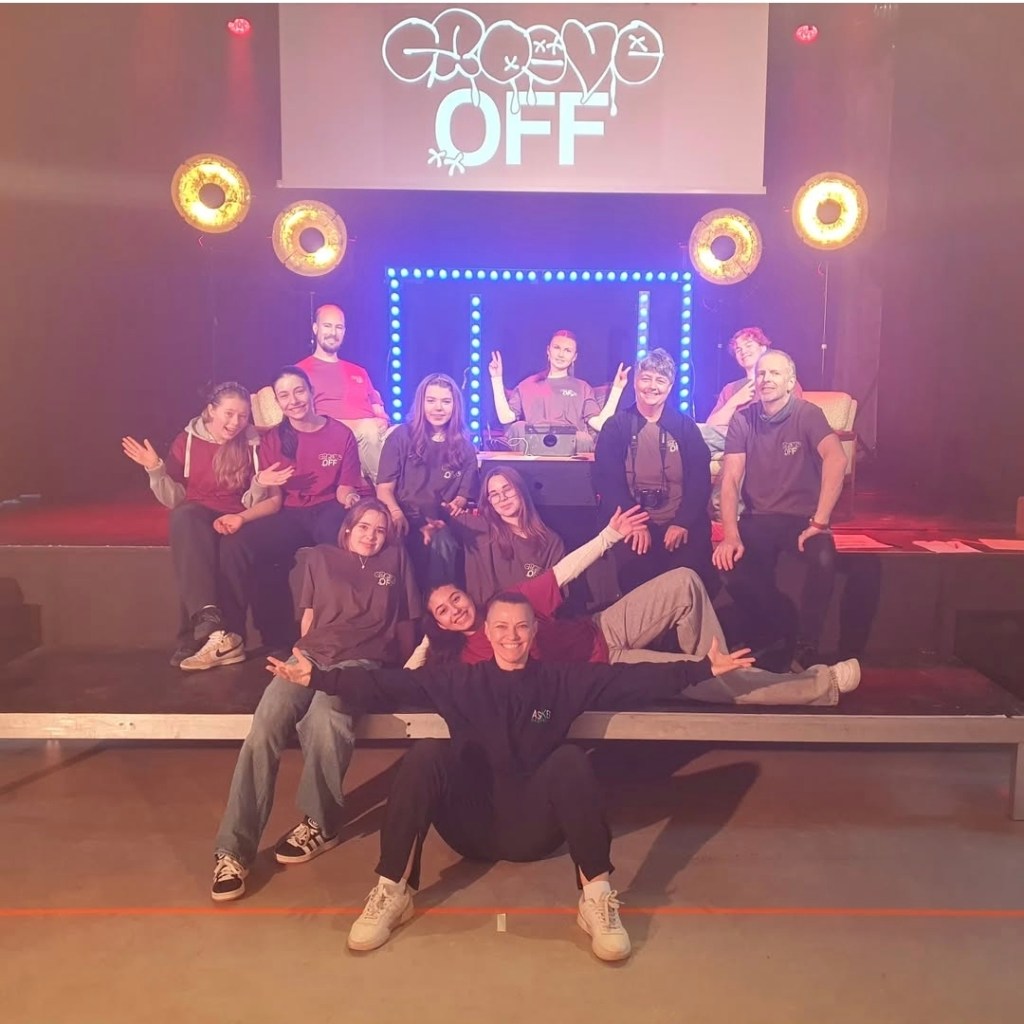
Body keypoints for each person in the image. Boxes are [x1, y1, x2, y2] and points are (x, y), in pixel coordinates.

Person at [267, 593, 757, 960]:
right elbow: (388, 682)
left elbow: (631, 680)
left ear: (534, 631)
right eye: (501, 626)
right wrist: (320, 678)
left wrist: (701, 669)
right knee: (426, 754)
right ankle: (393, 890)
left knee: (570, 760)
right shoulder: (460, 679)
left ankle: (596, 898)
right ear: (487, 631)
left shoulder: (560, 679)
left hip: (536, 829)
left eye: (521, 626)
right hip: (471, 825)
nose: (511, 636)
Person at [415, 511, 859, 708]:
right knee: (705, 677)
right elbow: (414, 674)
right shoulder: (468, 658)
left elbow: (564, 572)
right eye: (442, 612)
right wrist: (423, 645)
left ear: (467, 595)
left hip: (602, 627)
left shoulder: (507, 602)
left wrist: (608, 537)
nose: (454, 610)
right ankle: (817, 686)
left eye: (455, 599)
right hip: (605, 667)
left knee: (685, 580)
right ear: (438, 625)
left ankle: (720, 675)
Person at [210, 498, 421, 902]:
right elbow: (308, 617)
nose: (371, 535)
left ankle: (320, 824)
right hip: (308, 656)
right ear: (348, 528)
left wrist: (401, 673)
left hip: (359, 663)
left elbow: (407, 622)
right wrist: (302, 656)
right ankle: (233, 851)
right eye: (364, 527)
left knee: (326, 718)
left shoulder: (396, 561)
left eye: (380, 530)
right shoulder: (320, 558)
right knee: (264, 729)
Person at [121, 381, 280, 671]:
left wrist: (258, 485)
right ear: (211, 411)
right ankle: (203, 628)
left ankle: (228, 637)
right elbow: (174, 499)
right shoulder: (187, 440)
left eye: (242, 416)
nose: (235, 422)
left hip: (238, 514)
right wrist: (155, 469)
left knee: (232, 547)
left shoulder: (253, 443)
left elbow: (252, 502)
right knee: (185, 520)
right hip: (198, 511)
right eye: (229, 414)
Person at [712, 350, 847, 671]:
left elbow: (837, 458)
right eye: (761, 373)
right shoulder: (744, 419)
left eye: (774, 373)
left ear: (790, 382)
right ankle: (772, 633)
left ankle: (806, 644)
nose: (766, 379)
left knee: (824, 559)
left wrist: (820, 521)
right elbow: (730, 479)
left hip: (802, 520)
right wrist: (730, 534)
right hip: (758, 517)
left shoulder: (807, 414)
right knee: (730, 564)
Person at [221, 366, 368, 647]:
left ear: (311, 392)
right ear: (278, 402)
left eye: (299, 391)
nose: (294, 400)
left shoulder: (341, 434)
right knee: (238, 543)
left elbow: (344, 489)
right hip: (288, 512)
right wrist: (242, 517)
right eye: (284, 395)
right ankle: (242, 636)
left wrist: (352, 501)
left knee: (341, 542)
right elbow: (274, 500)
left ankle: (342, 632)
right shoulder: (273, 440)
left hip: (328, 507)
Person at [593, 348, 716, 596]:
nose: (652, 386)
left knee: (688, 583)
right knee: (636, 581)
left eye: (660, 380)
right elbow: (608, 482)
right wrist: (636, 524)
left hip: (681, 523)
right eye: (646, 378)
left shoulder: (685, 427)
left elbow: (700, 481)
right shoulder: (616, 426)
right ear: (635, 382)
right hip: (632, 522)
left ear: (670, 387)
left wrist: (682, 522)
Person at [376, 373, 479, 591]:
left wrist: (457, 504)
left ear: (455, 406)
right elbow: (384, 489)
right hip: (402, 514)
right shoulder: (401, 436)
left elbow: (463, 495)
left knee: (442, 540)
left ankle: (441, 603)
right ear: (421, 403)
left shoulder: (466, 447)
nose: (438, 408)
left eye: (446, 401)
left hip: (441, 520)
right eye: (431, 400)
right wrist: (396, 514)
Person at [431, 465, 565, 608]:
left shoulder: (550, 542)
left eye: (507, 489)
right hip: (484, 619)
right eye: (494, 494)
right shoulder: (477, 527)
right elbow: (434, 518)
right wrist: (442, 515)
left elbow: (553, 596)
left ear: (521, 490)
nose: (503, 498)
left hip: (529, 618)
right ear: (489, 501)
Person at [488, 330, 629, 453]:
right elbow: (506, 418)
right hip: (532, 446)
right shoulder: (527, 385)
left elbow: (599, 424)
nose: (561, 354)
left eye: (567, 350)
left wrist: (617, 389)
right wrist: (496, 378)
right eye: (557, 348)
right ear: (548, 351)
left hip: (569, 448)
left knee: (584, 439)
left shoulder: (582, 387)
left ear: (574, 357)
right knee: (517, 428)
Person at [296, 304, 390, 483]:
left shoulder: (359, 371)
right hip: (333, 436)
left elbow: (378, 408)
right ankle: (385, 489)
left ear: (344, 331)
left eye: (338, 327)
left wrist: (382, 419)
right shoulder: (301, 372)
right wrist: (360, 424)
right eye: (327, 326)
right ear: (315, 328)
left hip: (373, 434)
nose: (333, 333)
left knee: (407, 433)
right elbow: (305, 418)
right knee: (368, 430)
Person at [700, 327, 804, 454]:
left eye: (748, 345)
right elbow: (710, 426)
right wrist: (734, 401)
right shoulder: (730, 388)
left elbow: (794, 418)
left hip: (767, 436)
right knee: (695, 434)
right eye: (738, 349)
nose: (743, 351)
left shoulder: (781, 381)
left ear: (763, 348)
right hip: (733, 437)